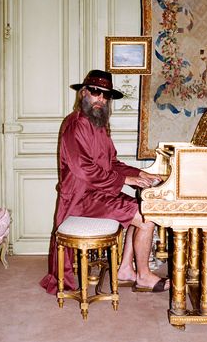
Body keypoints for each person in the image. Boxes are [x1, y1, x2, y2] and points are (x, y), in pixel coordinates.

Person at [40, 69, 170, 295]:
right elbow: (84, 169)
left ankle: (125, 270)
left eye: (105, 95)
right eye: (95, 92)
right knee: (146, 218)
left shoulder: (98, 124)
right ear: (83, 94)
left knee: (143, 209)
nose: (100, 99)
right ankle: (144, 276)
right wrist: (125, 180)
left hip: (98, 194)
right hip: (81, 199)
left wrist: (140, 174)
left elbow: (111, 163)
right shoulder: (75, 124)